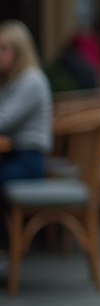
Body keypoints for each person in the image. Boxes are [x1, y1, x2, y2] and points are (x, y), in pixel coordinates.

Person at [0, 20, 52, 185]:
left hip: (27, 160)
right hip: (10, 154)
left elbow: (4, 120)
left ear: (19, 50)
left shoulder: (32, 80)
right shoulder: (10, 80)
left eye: (3, 48)